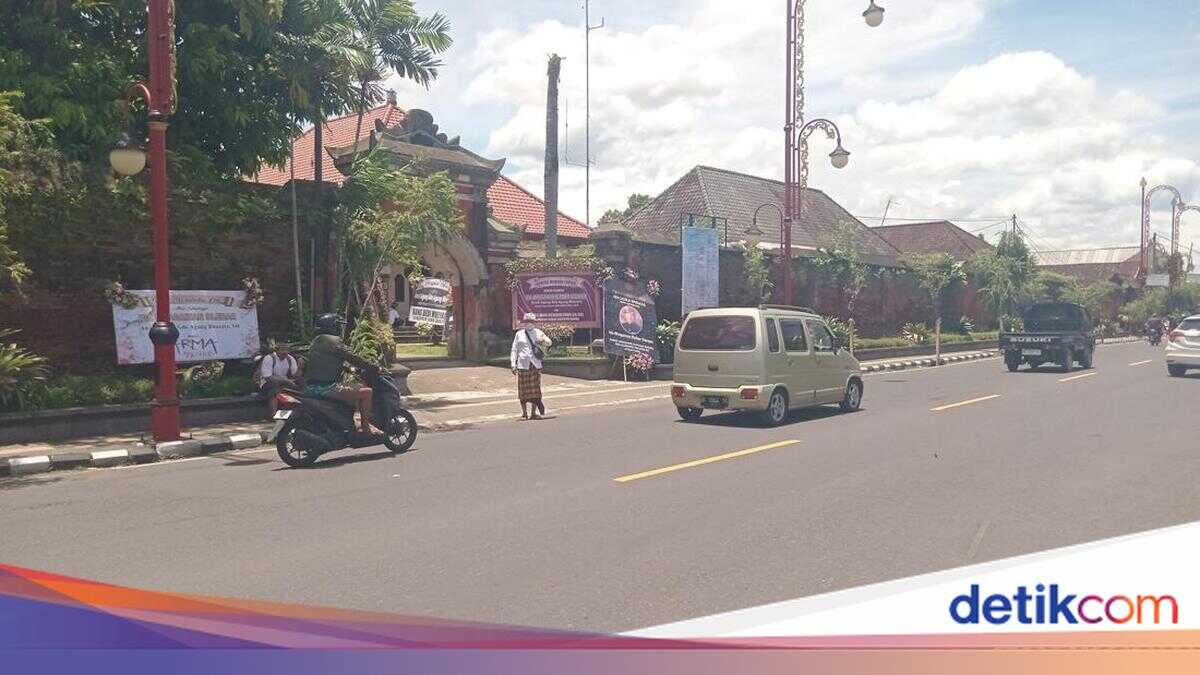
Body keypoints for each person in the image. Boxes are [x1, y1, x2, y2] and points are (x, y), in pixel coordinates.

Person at [305, 313, 378, 433]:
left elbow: (326, 361)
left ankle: (348, 423)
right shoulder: (333, 340)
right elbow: (353, 357)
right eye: (338, 325)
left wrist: (346, 368)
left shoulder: (316, 341)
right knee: (367, 392)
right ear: (332, 327)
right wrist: (373, 366)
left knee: (352, 393)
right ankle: (366, 428)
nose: (340, 328)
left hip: (311, 387)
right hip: (328, 387)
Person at [510, 312, 552, 420]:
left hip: (535, 364)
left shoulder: (538, 333)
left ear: (534, 323)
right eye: (527, 322)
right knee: (523, 391)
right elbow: (514, 349)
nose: (529, 324)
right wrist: (513, 364)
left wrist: (542, 340)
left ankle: (533, 413)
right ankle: (524, 413)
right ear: (524, 323)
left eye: (531, 322)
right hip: (523, 365)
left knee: (535, 391)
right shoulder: (519, 334)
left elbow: (549, 342)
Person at [259, 342, 300, 417]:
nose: (284, 352)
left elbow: (295, 375)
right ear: (277, 351)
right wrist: (286, 381)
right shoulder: (269, 358)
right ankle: (273, 414)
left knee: (292, 390)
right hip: (266, 382)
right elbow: (267, 376)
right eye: (282, 350)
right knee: (274, 388)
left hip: (284, 382)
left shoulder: (290, 359)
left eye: (286, 350)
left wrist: (300, 367)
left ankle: (286, 415)